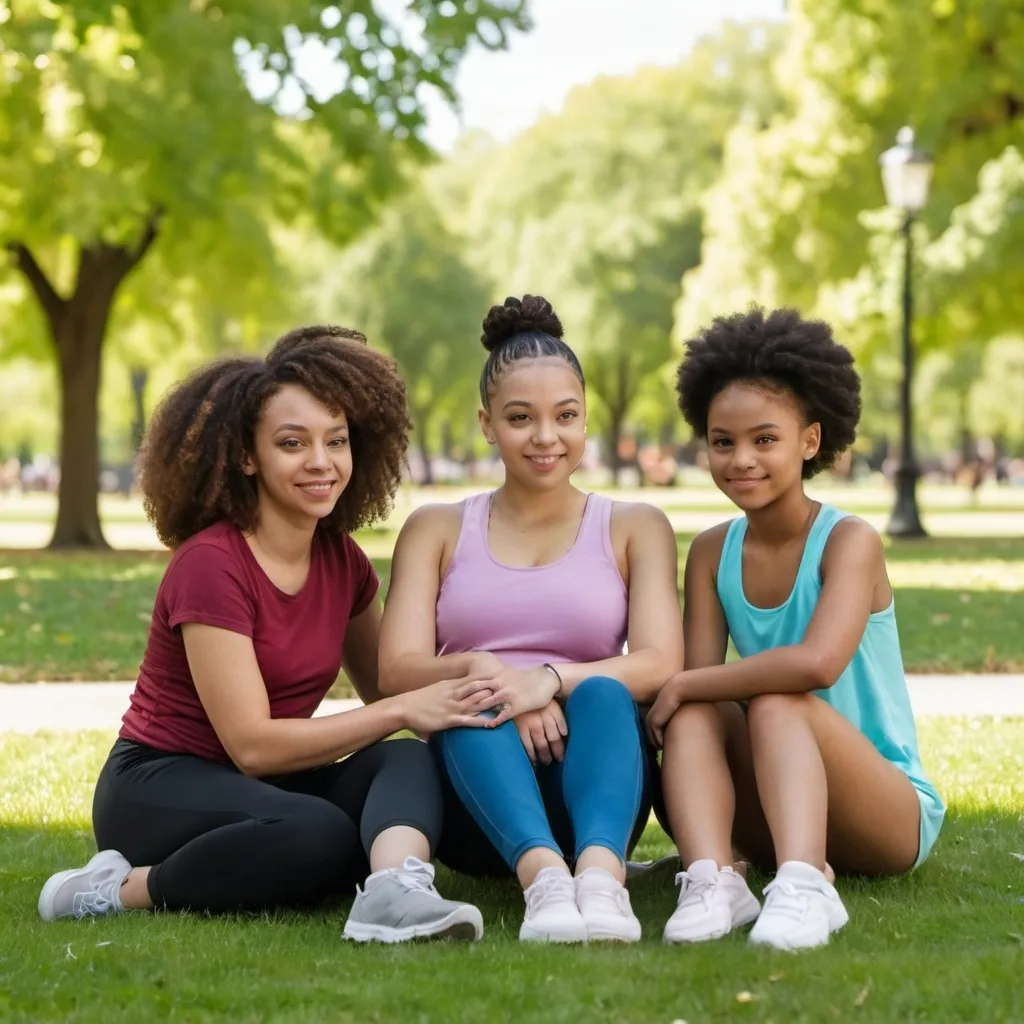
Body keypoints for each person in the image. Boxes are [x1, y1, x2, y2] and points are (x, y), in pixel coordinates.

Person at [37, 326, 498, 943]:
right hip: (160, 784)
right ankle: (115, 889)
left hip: (268, 788)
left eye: (336, 441)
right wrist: (403, 706)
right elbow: (251, 744)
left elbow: (389, 684)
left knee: (403, 759)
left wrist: (485, 670)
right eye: (292, 443)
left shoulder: (342, 561)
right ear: (247, 456)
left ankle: (392, 890)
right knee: (321, 836)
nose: (321, 462)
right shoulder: (212, 565)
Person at [377, 295, 685, 944]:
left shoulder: (635, 526)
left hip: (598, 787)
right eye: (521, 419)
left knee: (603, 691)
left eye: (565, 417)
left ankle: (602, 882)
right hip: (471, 803)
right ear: (488, 424)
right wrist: (494, 677)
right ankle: (543, 882)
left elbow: (659, 662)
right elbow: (395, 672)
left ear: (584, 420)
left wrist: (545, 680)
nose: (546, 438)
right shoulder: (436, 527)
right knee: (473, 701)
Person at [648, 307, 946, 950]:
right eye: (722, 442)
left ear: (810, 441)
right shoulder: (709, 551)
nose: (741, 460)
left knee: (779, 700)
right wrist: (681, 691)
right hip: (777, 802)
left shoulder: (850, 541)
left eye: (765, 439)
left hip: (887, 814)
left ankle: (807, 887)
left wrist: (684, 684)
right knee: (695, 710)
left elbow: (816, 665)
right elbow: (700, 685)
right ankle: (713, 879)